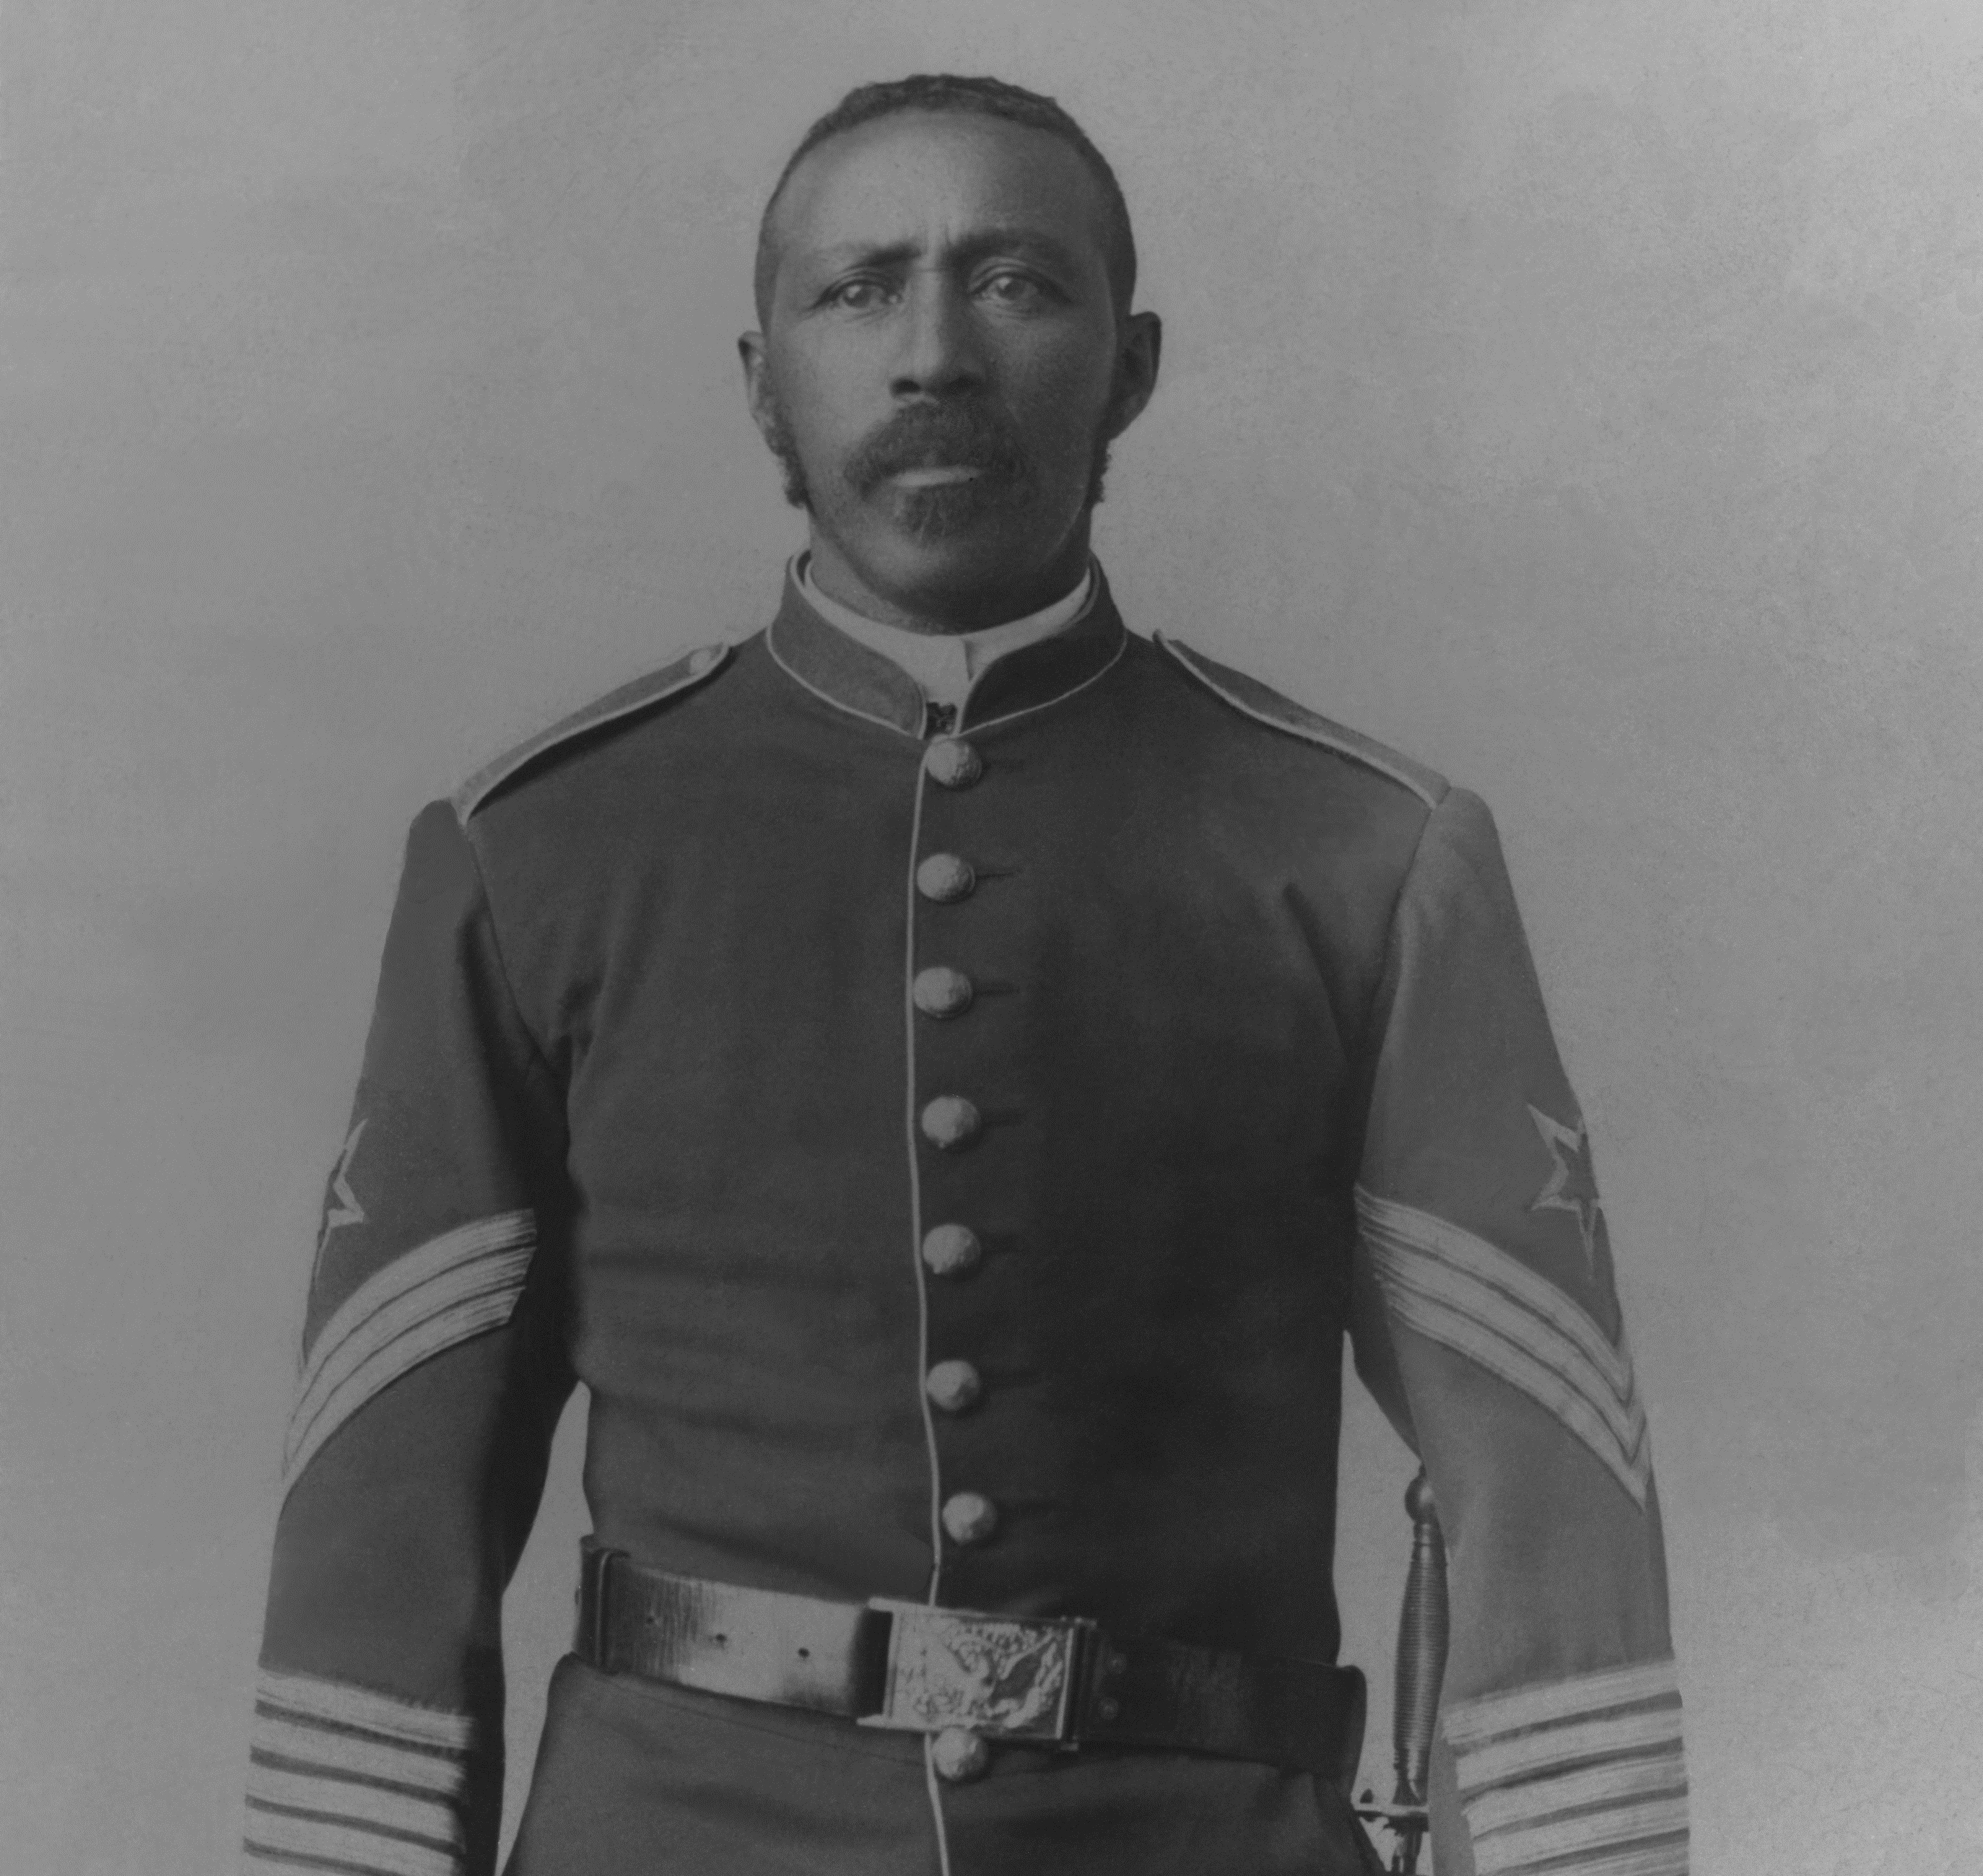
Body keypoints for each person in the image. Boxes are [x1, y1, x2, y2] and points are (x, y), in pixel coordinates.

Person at [240, 73, 1688, 1876]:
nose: (933, 352)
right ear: (761, 379)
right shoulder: (536, 854)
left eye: (1014, 282)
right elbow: (384, 1539)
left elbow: (1545, 1498)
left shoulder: (1367, 854)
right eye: (859, 290)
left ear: (1133, 364)